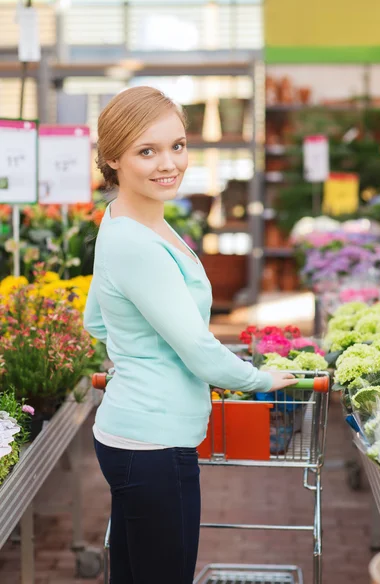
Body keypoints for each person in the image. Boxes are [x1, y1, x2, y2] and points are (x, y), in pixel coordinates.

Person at [83, 86, 298, 584]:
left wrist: (139, 350)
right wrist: (258, 377)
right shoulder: (138, 240)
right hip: (154, 446)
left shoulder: (126, 220)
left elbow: (97, 320)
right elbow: (198, 349)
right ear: (113, 159)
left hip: (133, 434)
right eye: (147, 151)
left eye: (177, 145)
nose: (169, 163)